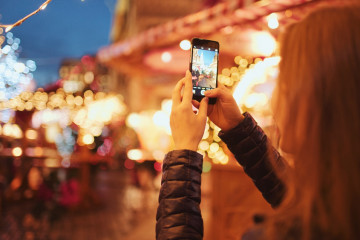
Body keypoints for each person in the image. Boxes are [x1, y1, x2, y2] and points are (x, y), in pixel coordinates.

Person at [156, 5, 360, 240]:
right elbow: (298, 198)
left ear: (320, 101)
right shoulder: (342, 205)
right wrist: (239, 130)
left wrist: (183, 151)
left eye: (283, 83)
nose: (273, 100)